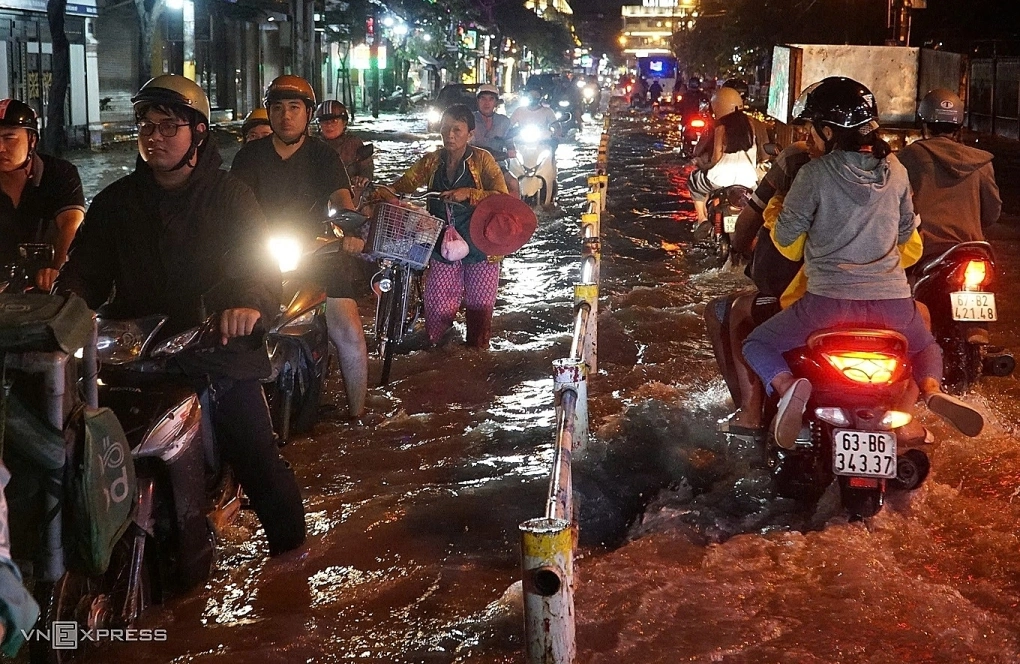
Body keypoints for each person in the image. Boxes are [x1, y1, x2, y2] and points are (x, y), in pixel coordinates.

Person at [56, 74, 305, 557]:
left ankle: (294, 563)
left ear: (199, 132)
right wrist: (64, 309)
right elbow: (83, 274)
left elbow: (261, 270)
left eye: (169, 127)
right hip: (136, 354)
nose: (155, 137)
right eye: (147, 126)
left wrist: (246, 305)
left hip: (217, 351)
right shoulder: (115, 202)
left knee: (256, 457)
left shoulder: (232, 197)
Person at [740, 77, 984, 449]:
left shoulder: (813, 174)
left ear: (827, 130)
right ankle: (928, 394)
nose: (808, 137)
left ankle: (790, 389)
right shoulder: (897, 171)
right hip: (894, 308)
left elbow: (787, 246)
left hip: (826, 307)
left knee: (756, 343)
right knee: (926, 348)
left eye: (811, 128)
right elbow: (911, 248)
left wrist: (779, 210)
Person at [230, 75, 370, 421]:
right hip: (259, 255)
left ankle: (358, 414)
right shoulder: (249, 157)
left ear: (308, 113)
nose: (286, 116)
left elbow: (340, 199)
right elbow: (233, 204)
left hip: (317, 251)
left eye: (295, 108)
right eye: (277, 108)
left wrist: (347, 226)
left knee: (348, 329)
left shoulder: (323, 156)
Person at [372, 104, 516, 349]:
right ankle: (439, 356)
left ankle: (476, 359)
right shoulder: (431, 161)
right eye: (446, 129)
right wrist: (379, 193)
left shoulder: (483, 160)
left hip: (480, 245)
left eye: (457, 130)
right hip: (440, 243)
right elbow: (404, 184)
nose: (450, 135)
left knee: (479, 312)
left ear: (470, 134)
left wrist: (469, 194)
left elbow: (502, 196)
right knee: (437, 308)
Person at [898, 88, 1002, 264]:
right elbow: (992, 214)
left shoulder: (906, 158)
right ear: (959, 126)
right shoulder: (981, 163)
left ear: (924, 124)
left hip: (922, 252)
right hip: (970, 249)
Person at [0, 98, 85, 292]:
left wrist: (57, 269)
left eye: (9, 138)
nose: (0, 148)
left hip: (48, 283)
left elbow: (71, 224)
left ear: (32, 140)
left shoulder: (59, 173)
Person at [686, 86, 759, 228]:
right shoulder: (751, 125)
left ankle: (702, 219)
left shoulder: (721, 129)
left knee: (694, 181)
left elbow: (715, 159)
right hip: (748, 179)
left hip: (720, 179)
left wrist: (701, 165)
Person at [471, 84, 520, 197]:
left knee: (513, 183)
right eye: (483, 98)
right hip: (473, 166)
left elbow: (509, 141)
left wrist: (511, 150)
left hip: (497, 166)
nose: (486, 103)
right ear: (477, 101)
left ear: (496, 102)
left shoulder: (504, 121)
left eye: (491, 99)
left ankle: (516, 213)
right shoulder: (469, 119)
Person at [315, 100, 374, 182]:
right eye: (324, 122)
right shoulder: (313, 144)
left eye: (334, 121)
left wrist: (362, 179)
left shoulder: (354, 144)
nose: (329, 125)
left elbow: (366, 170)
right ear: (319, 125)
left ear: (344, 123)